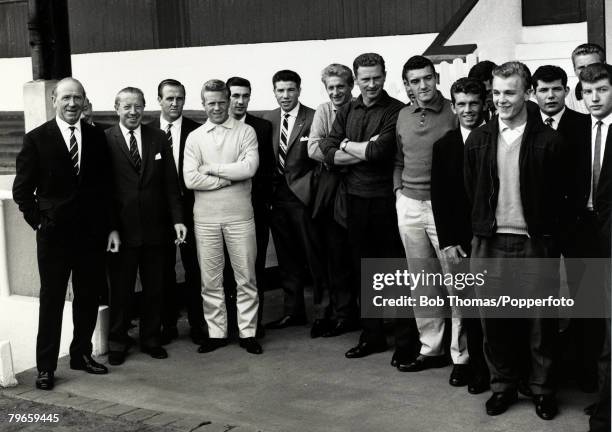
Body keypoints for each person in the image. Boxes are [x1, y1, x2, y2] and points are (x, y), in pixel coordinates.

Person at [464, 61, 565, 420]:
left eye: (509, 92)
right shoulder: (479, 138)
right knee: (495, 321)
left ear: (527, 93)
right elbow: (470, 189)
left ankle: (542, 389)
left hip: (534, 242)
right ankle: (502, 386)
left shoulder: (549, 139)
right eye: (496, 93)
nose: (501, 100)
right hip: (489, 242)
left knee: (540, 322)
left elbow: (559, 195)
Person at [13, 77, 118, 390]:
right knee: (52, 301)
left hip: (90, 237)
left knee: (86, 298)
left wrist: (110, 226)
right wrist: (41, 223)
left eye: (78, 98)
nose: (72, 104)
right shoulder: (36, 139)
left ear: (85, 101)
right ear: (54, 101)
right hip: (54, 238)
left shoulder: (96, 137)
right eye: (66, 98)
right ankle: (45, 367)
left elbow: (106, 188)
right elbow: (22, 191)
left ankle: (81, 355)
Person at [318, 53, 411, 364]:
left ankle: (404, 342)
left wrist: (350, 146)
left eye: (376, 77)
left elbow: (381, 152)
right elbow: (328, 151)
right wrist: (353, 148)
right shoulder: (348, 109)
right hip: (355, 201)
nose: (371, 84)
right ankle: (371, 337)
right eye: (365, 79)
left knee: (394, 272)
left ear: (385, 75)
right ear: (356, 80)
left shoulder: (396, 110)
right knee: (364, 271)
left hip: (386, 201)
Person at [394, 55, 466, 375]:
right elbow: (398, 158)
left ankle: (461, 354)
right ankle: (431, 348)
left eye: (427, 78)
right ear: (406, 85)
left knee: (456, 282)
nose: (422, 85)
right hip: (409, 205)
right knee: (422, 281)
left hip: (444, 209)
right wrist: (398, 192)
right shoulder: (403, 116)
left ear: (436, 78)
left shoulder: (454, 111)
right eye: (415, 81)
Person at [531, 65, 600, 392]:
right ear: (533, 92)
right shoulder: (527, 126)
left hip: (578, 228)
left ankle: (584, 371)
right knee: (541, 302)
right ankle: (545, 372)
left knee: (584, 300)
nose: (550, 95)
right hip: (540, 230)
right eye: (543, 90)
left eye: (556, 89)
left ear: (566, 90)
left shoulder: (584, 124)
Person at [105, 87, 186, 365]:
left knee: (155, 289)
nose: (133, 112)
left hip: (156, 229)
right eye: (126, 106)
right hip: (122, 233)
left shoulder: (158, 137)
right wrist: (111, 228)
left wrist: (177, 219)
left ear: (145, 107)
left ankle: (151, 338)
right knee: (121, 290)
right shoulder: (106, 140)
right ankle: (117, 342)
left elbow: (170, 184)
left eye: (138, 106)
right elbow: (103, 192)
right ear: (116, 108)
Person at [183, 79, 262, 355]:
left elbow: (249, 168)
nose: (216, 107)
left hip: (240, 216)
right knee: (211, 280)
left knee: (246, 277)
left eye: (221, 102)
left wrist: (212, 169)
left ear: (229, 101)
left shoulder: (246, 132)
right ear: (203, 104)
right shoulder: (195, 137)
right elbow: (191, 178)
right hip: (205, 219)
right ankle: (216, 333)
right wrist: (228, 178)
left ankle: (248, 332)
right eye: (211, 103)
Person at [430, 77, 489, 394]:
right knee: (469, 308)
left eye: (473, 103)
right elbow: (439, 198)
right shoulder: (444, 145)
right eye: (462, 104)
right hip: (461, 242)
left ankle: (507, 371)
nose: (468, 110)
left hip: (494, 238)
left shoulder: (497, 138)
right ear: (453, 106)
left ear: (484, 104)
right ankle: (476, 368)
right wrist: (448, 241)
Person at [262, 70, 323, 330]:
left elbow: (321, 158)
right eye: (280, 90)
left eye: (290, 90)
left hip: (304, 198)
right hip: (278, 199)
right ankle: (293, 311)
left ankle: (323, 314)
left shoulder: (314, 116)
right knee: (287, 259)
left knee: (315, 257)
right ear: (274, 92)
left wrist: (310, 188)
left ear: (299, 90)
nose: (285, 96)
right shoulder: (269, 119)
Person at [148, 78, 206, 346]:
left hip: (192, 210)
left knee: (194, 269)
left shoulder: (198, 130)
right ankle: (167, 324)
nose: (174, 103)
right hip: (159, 215)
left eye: (179, 98)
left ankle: (198, 324)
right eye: (169, 98)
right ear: (159, 99)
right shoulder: (147, 133)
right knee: (163, 270)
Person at [307, 63, 359, 338]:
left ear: (351, 86)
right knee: (334, 255)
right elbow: (313, 148)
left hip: (359, 188)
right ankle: (342, 313)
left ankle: (369, 314)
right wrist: (355, 154)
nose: (336, 92)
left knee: (359, 253)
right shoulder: (324, 111)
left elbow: (375, 151)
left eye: (341, 86)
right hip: (330, 192)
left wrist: (334, 150)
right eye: (331, 88)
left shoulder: (359, 108)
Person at [224, 76, 274, 339]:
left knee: (252, 269)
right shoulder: (214, 127)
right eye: (235, 96)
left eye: (245, 96)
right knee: (225, 270)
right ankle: (228, 324)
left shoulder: (262, 128)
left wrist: (263, 205)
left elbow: (266, 171)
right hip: (222, 211)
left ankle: (252, 325)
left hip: (255, 211)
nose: (240, 101)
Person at [579, 62, 612, 432]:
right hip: (584, 234)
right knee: (593, 322)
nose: (594, 98)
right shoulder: (577, 129)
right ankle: (602, 399)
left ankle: (605, 413)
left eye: (601, 89)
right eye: (588, 92)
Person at [566, 43, 606, 114]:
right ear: (575, 70)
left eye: (593, 66)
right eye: (581, 67)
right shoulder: (566, 101)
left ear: (605, 65)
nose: (587, 71)